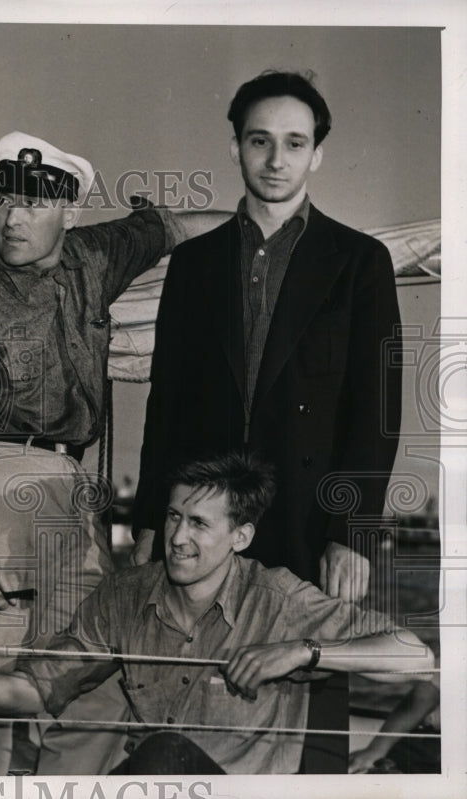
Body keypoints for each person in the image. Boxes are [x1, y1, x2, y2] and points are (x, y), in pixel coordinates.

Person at [0, 131, 228, 775]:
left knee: (97, 672)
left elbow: (171, 226)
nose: (14, 218)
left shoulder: (92, 256)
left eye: (35, 205)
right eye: (4, 201)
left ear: (70, 214)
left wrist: (265, 219)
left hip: (71, 494)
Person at [129, 71, 403, 770]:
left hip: (308, 520)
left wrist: (352, 534)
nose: (276, 160)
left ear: (318, 154)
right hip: (208, 523)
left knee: (311, 709)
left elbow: (377, 411)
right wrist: (148, 530)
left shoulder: (361, 263)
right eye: (260, 141)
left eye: (294, 142)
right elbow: (165, 406)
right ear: (235, 149)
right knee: (195, 696)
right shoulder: (191, 265)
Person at [0, 453, 435, 775]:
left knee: (160, 757)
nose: (178, 538)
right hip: (151, 783)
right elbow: (33, 689)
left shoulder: (279, 598)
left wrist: (303, 650)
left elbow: (417, 658)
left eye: (201, 524)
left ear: (241, 537)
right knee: (156, 760)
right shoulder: (125, 597)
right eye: (174, 516)